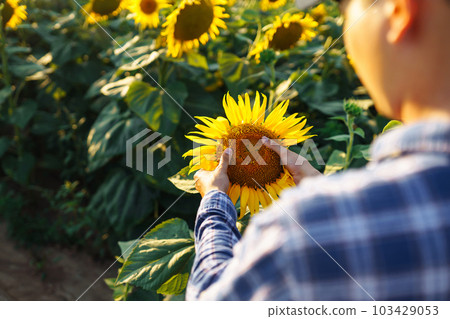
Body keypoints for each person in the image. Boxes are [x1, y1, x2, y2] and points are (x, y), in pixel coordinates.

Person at [186, 0, 450, 300]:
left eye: (343, 7)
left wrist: (215, 201)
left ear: (399, 10)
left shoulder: (302, 231)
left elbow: (210, 302)